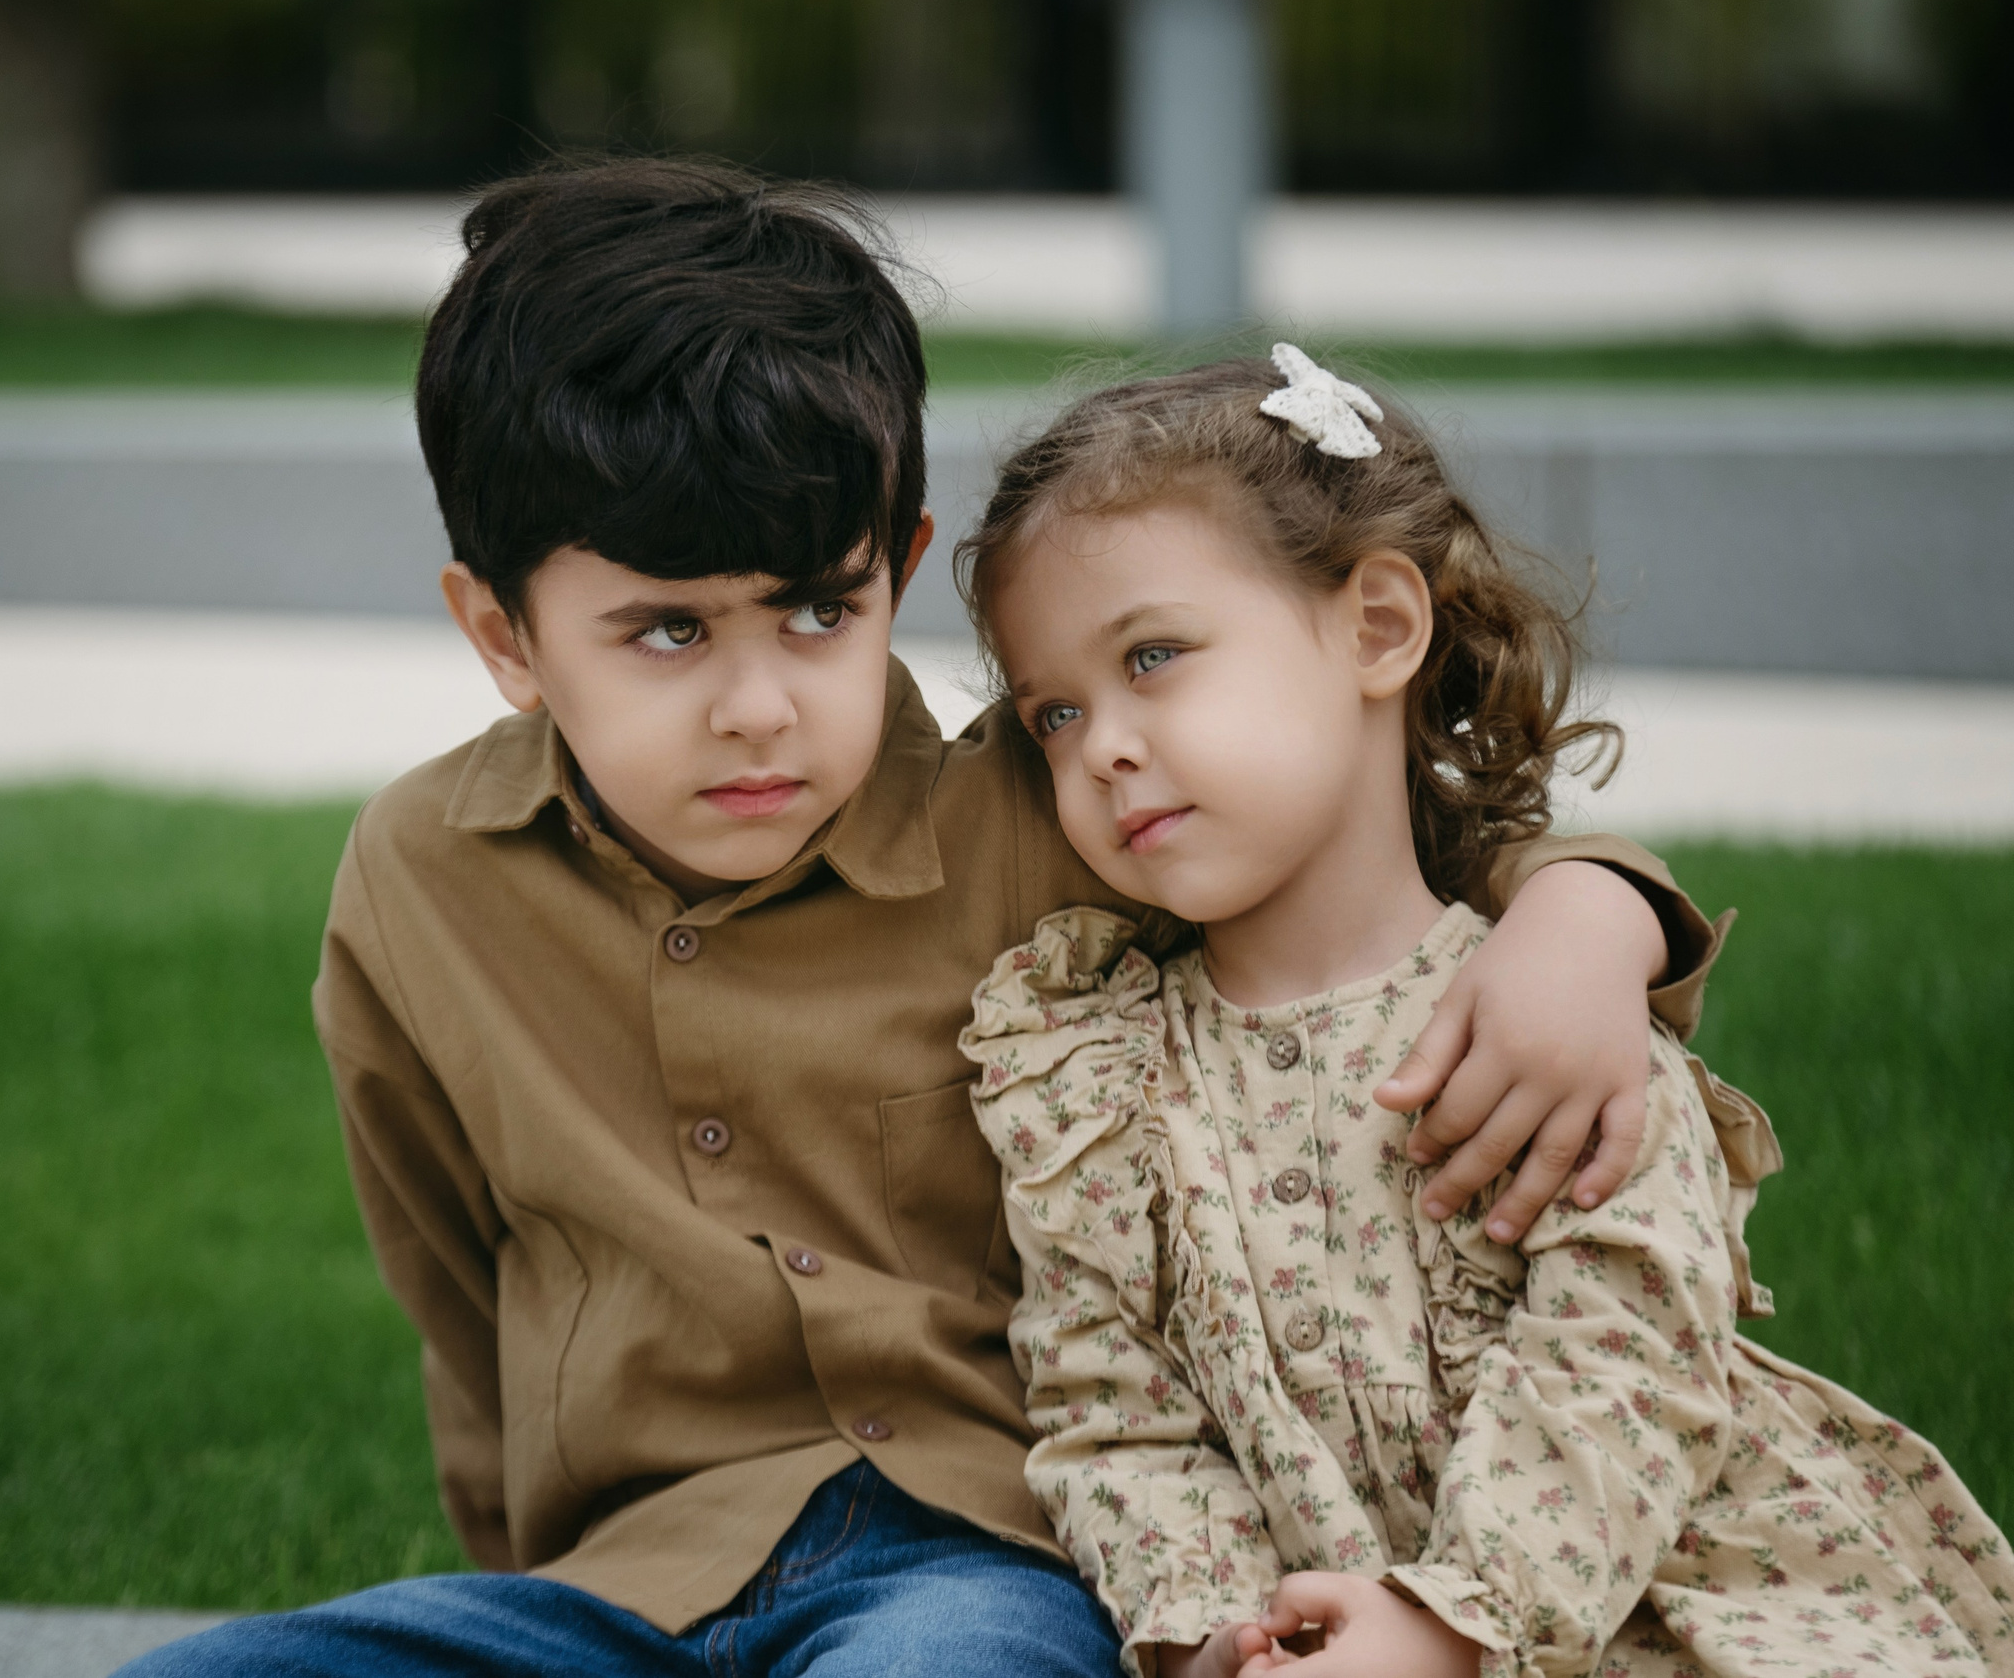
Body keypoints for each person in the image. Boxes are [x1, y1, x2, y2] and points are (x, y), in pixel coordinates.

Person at [118, 164, 1726, 1678]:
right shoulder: (423, 883)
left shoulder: (1047, 822)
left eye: (820, 609)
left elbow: (1377, 846)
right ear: (505, 632)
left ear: (897, 565)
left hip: (974, 1567)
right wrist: (517, 1569)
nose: (761, 706)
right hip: (609, 1595)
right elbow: (457, 1292)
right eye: (666, 631)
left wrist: (1593, 911)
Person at [956, 346, 2014, 1678]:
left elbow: (1627, 1357)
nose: (1099, 744)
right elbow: (1117, 1419)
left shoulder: (1548, 1009)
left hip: (1642, 1601)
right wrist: (1214, 1635)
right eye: (1054, 712)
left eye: (1154, 656)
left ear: (1379, 628)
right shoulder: (1094, 1082)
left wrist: (1460, 1623)